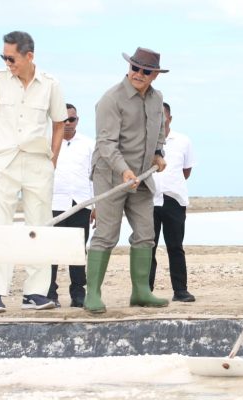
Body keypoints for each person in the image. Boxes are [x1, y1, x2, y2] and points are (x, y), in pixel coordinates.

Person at [0, 31, 67, 314]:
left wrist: (52, 159)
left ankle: (35, 293)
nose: (7, 62)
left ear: (29, 56)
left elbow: (59, 123)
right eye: (4, 57)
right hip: (4, 163)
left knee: (39, 226)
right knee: (0, 226)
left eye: (11, 57)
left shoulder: (51, 84)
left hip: (38, 164)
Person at [84, 47, 169, 313]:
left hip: (142, 177)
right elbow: (106, 144)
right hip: (111, 175)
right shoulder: (111, 98)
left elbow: (158, 132)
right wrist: (123, 171)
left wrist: (158, 153)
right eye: (135, 68)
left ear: (154, 75)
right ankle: (92, 295)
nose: (139, 74)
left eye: (146, 71)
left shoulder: (157, 99)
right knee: (107, 234)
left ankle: (141, 292)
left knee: (146, 234)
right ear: (129, 68)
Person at [47, 103, 94, 308]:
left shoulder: (88, 144)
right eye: (63, 119)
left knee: (77, 251)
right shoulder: (46, 143)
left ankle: (78, 293)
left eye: (71, 119)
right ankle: (49, 293)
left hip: (80, 203)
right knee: (52, 250)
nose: (67, 123)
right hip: (53, 203)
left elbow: (95, 176)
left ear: (77, 121)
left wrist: (96, 205)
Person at [149, 102, 196, 302]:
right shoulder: (146, 142)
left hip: (174, 200)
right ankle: (145, 290)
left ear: (169, 118)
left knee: (175, 246)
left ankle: (180, 290)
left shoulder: (183, 141)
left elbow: (186, 171)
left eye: (163, 116)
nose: (160, 120)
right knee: (147, 247)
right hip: (149, 200)